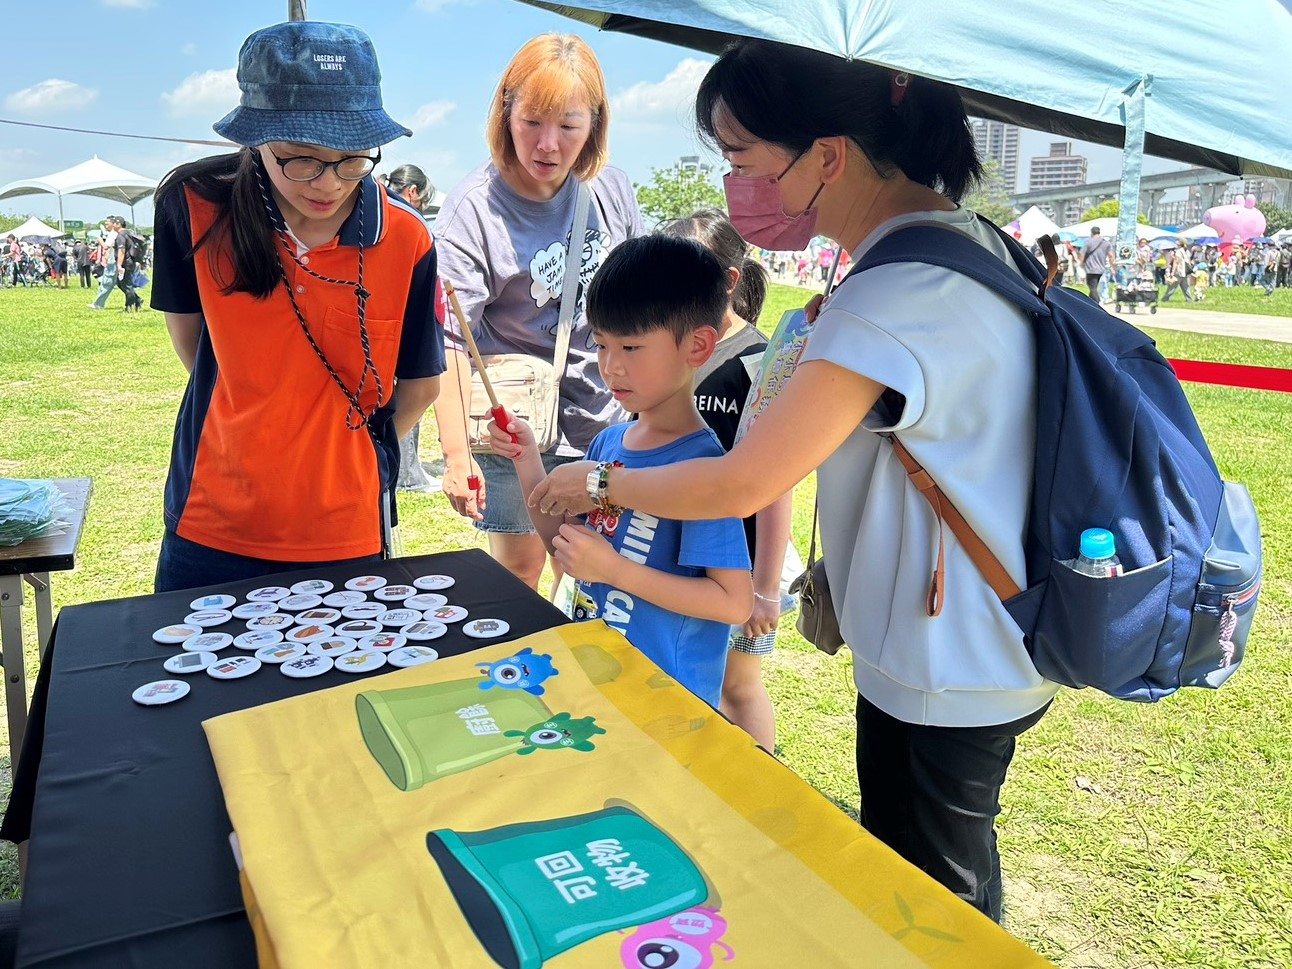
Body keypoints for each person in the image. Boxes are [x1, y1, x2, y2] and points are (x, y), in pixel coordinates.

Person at [530, 39, 1057, 922]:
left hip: (949, 655)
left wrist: (603, 480)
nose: (737, 185)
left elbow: (740, 483)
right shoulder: (954, 246)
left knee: (934, 899)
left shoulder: (899, 289)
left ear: (826, 156)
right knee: (935, 864)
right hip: (973, 633)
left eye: (741, 159)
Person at [149, 20, 444, 592]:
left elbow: (421, 384)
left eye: (354, 159)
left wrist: (353, 452)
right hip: (212, 521)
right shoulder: (191, 207)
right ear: (254, 138)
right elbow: (195, 348)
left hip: (346, 529)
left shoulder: (408, 239)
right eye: (300, 158)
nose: (329, 183)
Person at [488, 234, 752, 707]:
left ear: (697, 346)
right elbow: (563, 545)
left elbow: (733, 601)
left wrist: (615, 570)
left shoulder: (703, 469)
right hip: (595, 680)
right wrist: (527, 460)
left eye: (631, 347)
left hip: (668, 701)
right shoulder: (610, 443)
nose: (610, 367)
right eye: (602, 343)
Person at [432, 33, 643, 591]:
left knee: (595, 575)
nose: (548, 145)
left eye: (569, 126)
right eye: (532, 122)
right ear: (505, 112)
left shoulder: (613, 191)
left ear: (595, 125)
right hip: (518, 430)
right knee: (521, 571)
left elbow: (643, 306)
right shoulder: (473, 208)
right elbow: (451, 338)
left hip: (608, 423)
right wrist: (457, 453)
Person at [660, 209, 787, 750]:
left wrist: (765, 588)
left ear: (731, 281)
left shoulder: (763, 363)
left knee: (738, 688)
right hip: (675, 555)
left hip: (743, 562)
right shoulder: (669, 349)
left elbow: (777, 487)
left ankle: (760, 802)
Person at [111, 216, 143, 311]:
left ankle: (129, 306)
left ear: (118, 224)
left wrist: (119, 265)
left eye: (114, 223)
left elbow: (121, 251)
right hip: (131, 262)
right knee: (121, 283)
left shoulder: (121, 235)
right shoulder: (129, 233)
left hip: (126, 263)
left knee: (126, 285)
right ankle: (137, 300)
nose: (113, 225)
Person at [88, 219, 119, 310]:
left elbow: (106, 246)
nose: (106, 225)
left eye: (107, 223)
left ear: (113, 224)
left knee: (106, 283)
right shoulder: (114, 234)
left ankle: (98, 304)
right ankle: (135, 299)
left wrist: (100, 240)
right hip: (112, 261)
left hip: (112, 261)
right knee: (121, 284)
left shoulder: (113, 234)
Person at [1081, 225, 1111, 302]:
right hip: (1101, 268)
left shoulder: (1088, 242)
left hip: (1090, 268)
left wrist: (1081, 263)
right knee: (1094, 286)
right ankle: (1091, 301)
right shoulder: (1106, 243)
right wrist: (1111, 264)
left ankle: (1097, 301)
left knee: (1092, 287)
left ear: (1092, 232)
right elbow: (1111, 255)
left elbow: (1082, 254)